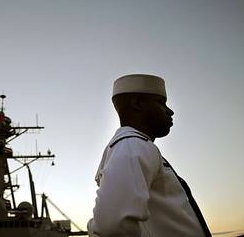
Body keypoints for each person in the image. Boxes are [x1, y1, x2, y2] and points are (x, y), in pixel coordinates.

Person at [87, 74, 211, 237]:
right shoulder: (133, 145)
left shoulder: (134, 145)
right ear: (138, 103)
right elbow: (114, 227)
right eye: (161, 102)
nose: (170, 111)